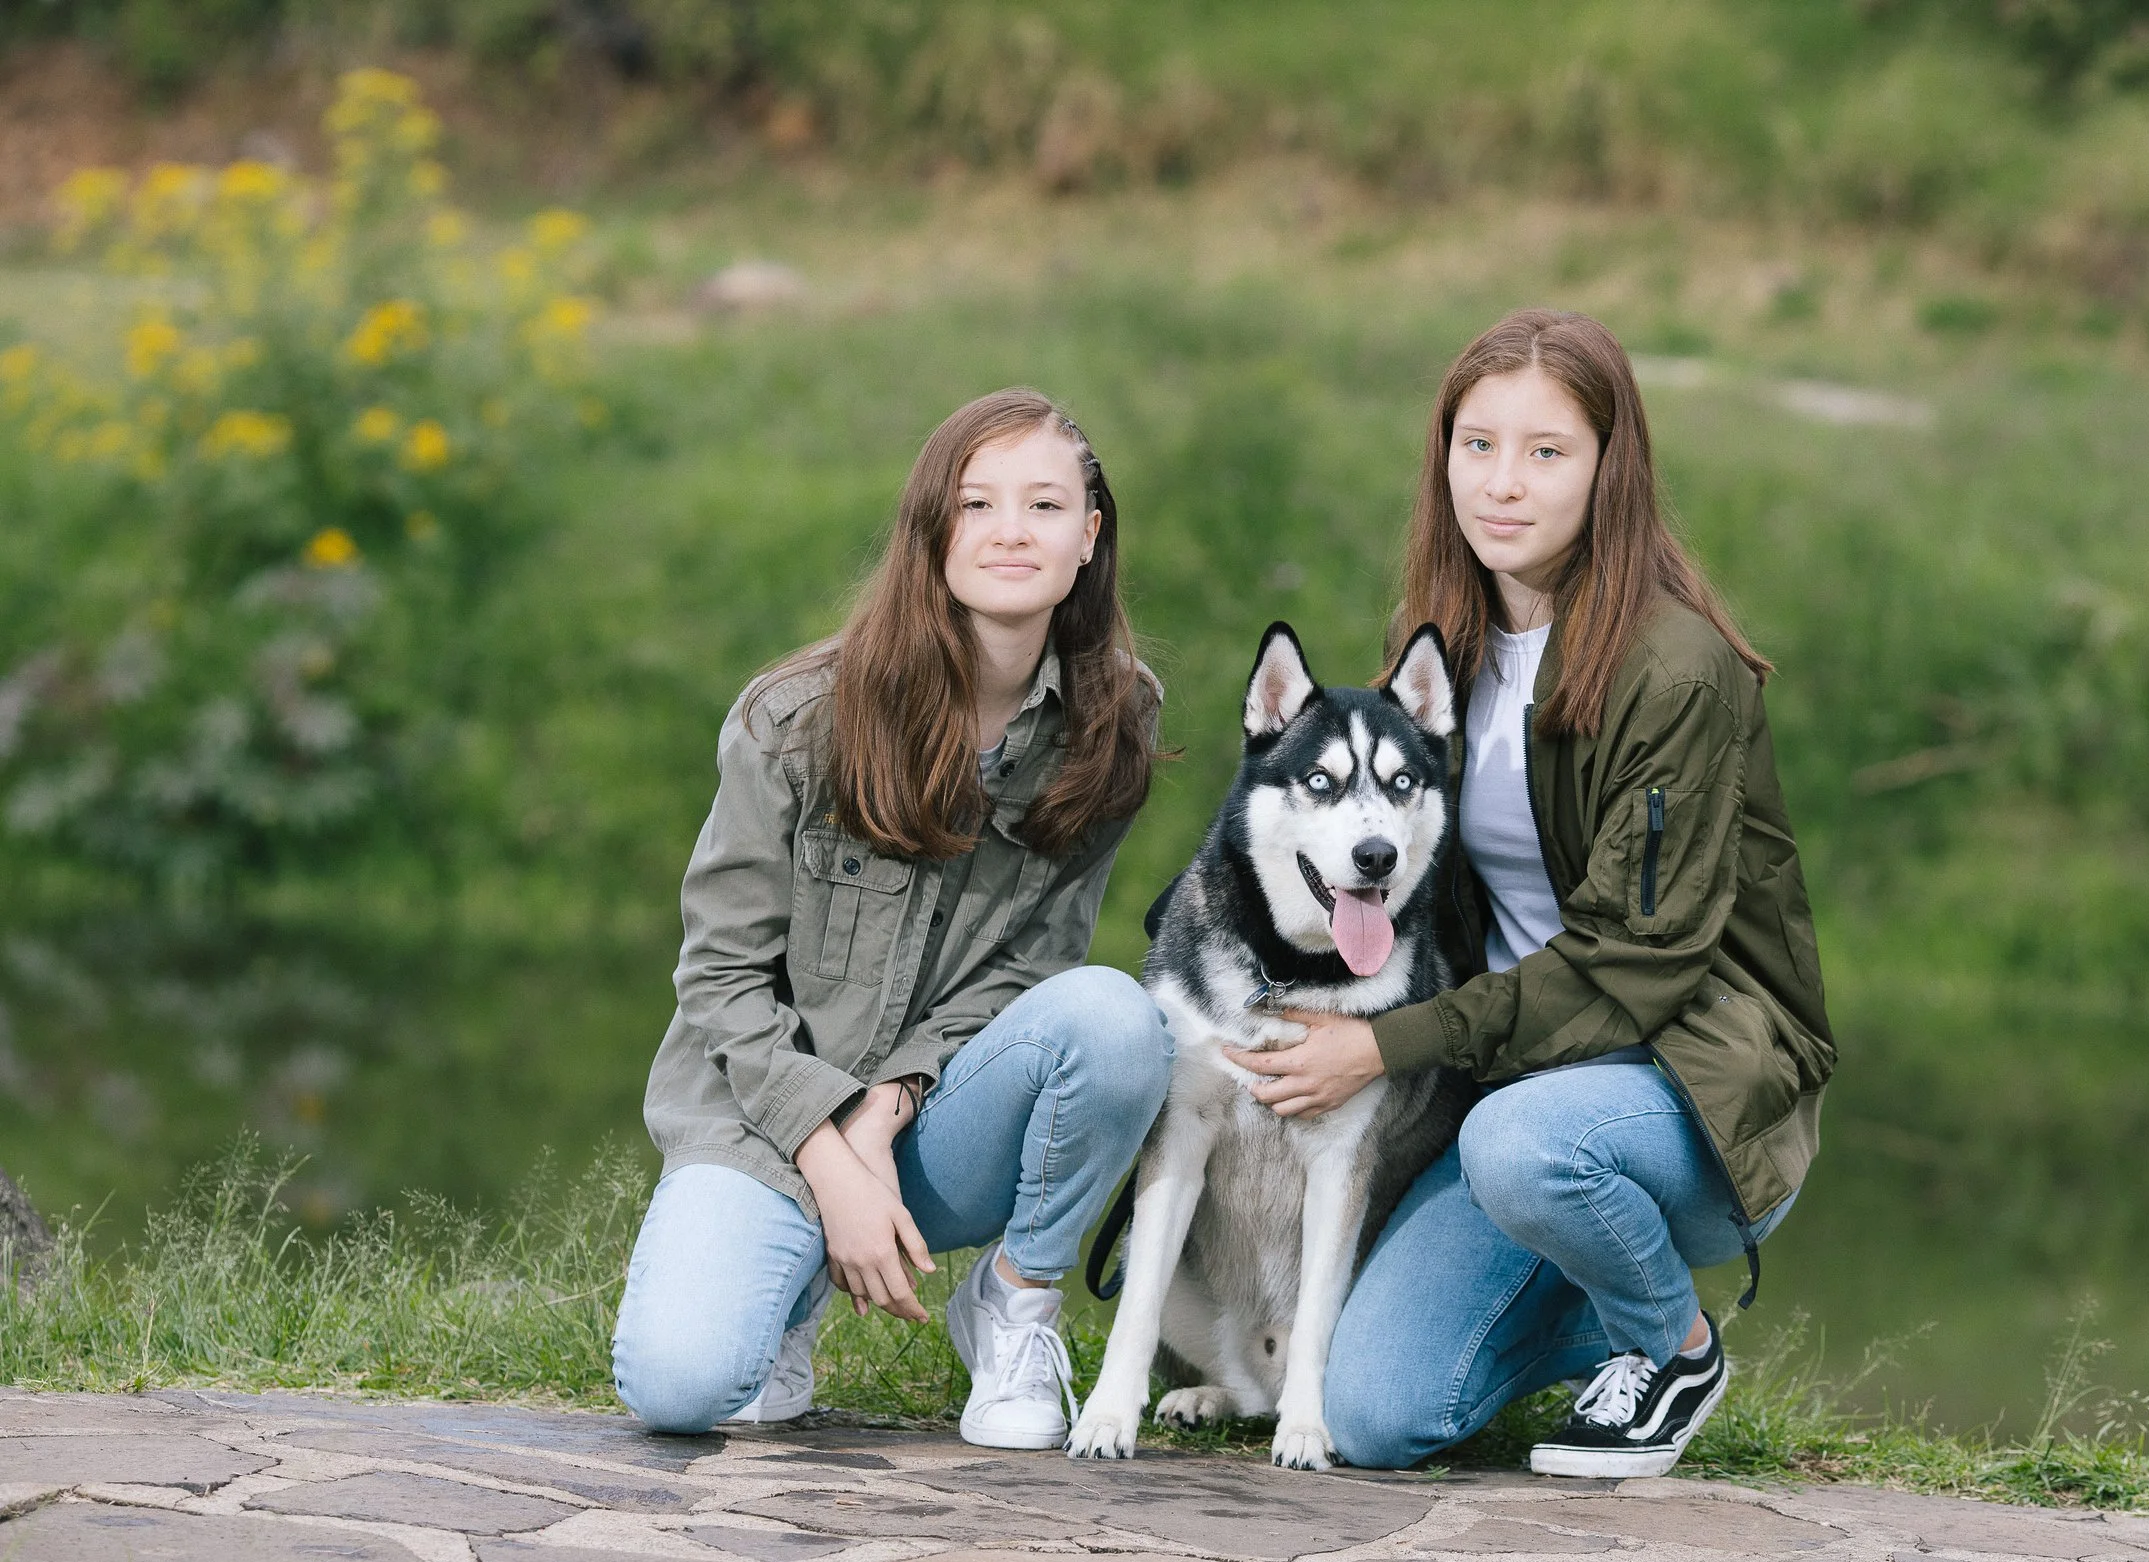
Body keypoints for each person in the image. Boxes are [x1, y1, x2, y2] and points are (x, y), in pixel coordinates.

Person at [1226, 310, 1836, 1477]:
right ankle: (1593, 1312)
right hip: (1516, 1088)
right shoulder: (1441, 659)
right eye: (1477, 444)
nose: (1503, 483)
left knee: (1516, 1144)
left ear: (1612, 468)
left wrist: (1386, 1046)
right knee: (1371, 1415)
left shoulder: (1674, 670)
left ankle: (1673, 1341)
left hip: (1684, 1095)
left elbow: (1632, 959)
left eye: (1547, 451)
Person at [613, 389, 1173, 1449]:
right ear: (933, 526)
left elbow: (1030, 965)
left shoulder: (1115, 716)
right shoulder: (796, 716)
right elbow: (721, 981)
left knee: (1110, 1016)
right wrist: (834, 1157)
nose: (1011, 531)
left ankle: (1014, 1303)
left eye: (1045, 505)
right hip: (762, 1120)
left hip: (935, 1120)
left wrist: (886, 1112)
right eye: (977, 504)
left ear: (1088, 531)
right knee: (681, 1387)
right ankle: (787, 1293)